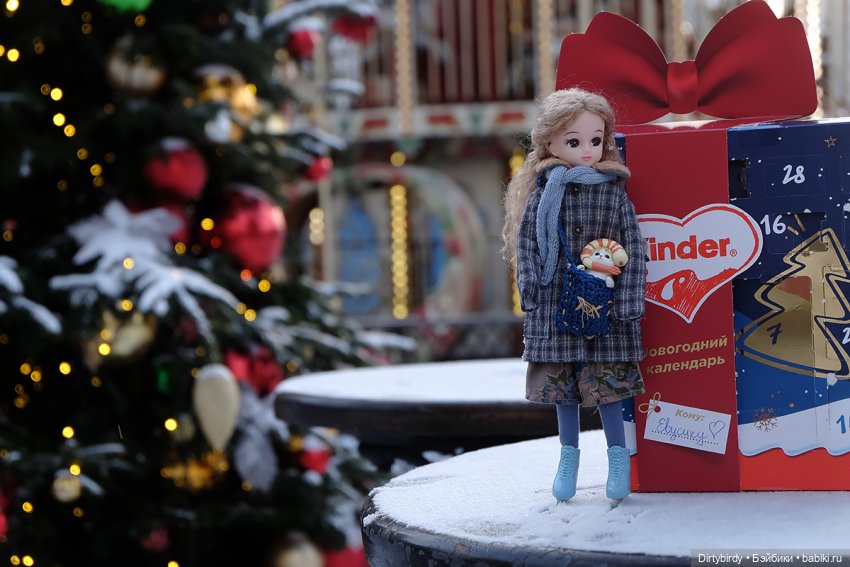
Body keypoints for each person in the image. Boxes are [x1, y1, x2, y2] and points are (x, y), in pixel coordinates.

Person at [502, 88, 646, 501]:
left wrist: (629, 300)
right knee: (562, 389)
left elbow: (633, 248)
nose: (587, 150)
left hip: (606, 307)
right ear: (549, 142)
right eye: (574, 141)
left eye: (596, 140)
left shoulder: (613, 194)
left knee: (608, 387)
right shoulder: (542, 196)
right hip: (552, 304)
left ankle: (618, 459)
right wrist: (529, 290)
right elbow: (526, 246)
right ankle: (569, 457)